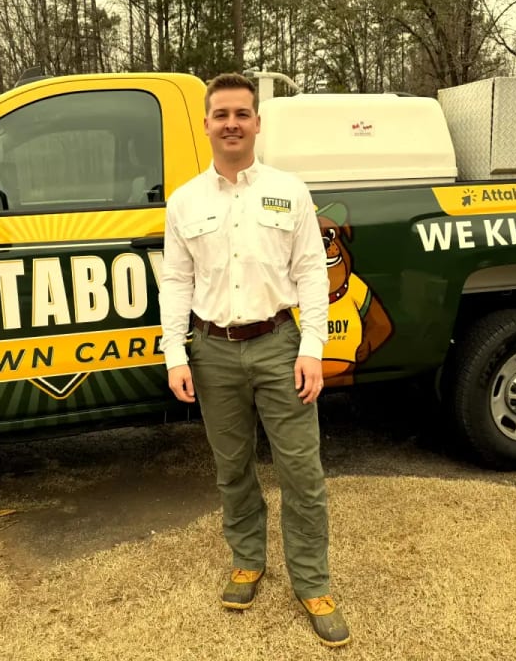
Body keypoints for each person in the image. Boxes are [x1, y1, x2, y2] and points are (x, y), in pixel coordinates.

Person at [158, 72, 350, 647]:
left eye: (242, 113)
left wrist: (313, 348)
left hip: (278, 347)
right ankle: (247, 560)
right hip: (212, 352)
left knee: (302, 473)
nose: (232, 123)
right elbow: (176, 280)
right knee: (232, 468)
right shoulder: (184, 201)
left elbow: (313, 272)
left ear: (258, 122)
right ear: (208, 124)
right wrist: (175, 353)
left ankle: (312, 581)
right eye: (222, 114)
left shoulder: (289, 191)